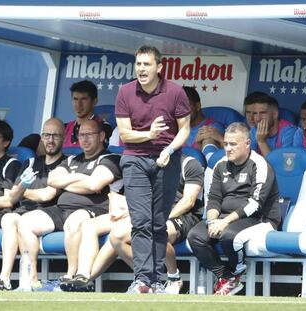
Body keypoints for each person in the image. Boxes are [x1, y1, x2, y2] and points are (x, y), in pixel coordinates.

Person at [115, 45, 191, 293]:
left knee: (159, 223)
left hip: (166, 160)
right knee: (141, 222)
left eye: (146, 64)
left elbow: (185, 130)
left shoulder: (176, 92)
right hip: (135, 159)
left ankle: (158, 280)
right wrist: (148, 134)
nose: (141, 69)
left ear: (159, 67)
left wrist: (169, 150)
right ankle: (142, 279)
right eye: (138, 64)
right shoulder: (125, 91)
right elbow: (125, 134)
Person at [17, 119, 121, 288]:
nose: (85, 139)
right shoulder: (72, 159)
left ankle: (71, 274)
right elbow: (52, 180)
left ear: (101, 136)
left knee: (74, 220)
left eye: (89, 135)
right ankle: (31, 280)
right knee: (25, 222)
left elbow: (95, 185)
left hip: (93, 209)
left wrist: (68, 182)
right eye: (81, 135)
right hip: (61, 209)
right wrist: (82, 179)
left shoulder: (111, 158)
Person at [187, 122, 281, 296]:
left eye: (233, 144)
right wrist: (213, 221)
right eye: (226, 144)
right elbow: (213, 198)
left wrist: (225, 222)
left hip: (260, 218)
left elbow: (255, 203)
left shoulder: (260, 164)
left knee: (229, 234)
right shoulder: (220, 164)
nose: (228, 148)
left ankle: (238, 271)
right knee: (195, 236)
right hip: (225, 217)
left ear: (247, 143)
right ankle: (227, 277)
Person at [0, 118, 66, 291]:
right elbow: (13, 197)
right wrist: (22, 188)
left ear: (63, 137)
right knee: (8, 218)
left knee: (24, 221)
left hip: (49, 213)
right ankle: (4, 278)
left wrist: (22, 189)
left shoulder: (66, 163)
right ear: (41, 137)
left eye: (55, 135)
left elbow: (47, 195)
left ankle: (33, 279)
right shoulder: (31, 162)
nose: (50, 140)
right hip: (26, 210)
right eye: (46, 135)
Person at [110, 154, 205, 294]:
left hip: (184, 215)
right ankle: (145, 279)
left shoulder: (189, 163)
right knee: (116, 237)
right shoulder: (148, 163)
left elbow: (188, 201)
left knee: (156, 230)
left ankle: (174, 277)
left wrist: (161, 218)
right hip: (153, 214)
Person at [63, 80, 112, 148]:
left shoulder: (103, 127)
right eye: (75, 99)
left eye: (83, 99)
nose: (78, 105)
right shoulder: (64, 128)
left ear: (94, 101)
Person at [182, 86, 225, 160]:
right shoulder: (176, 128)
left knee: (208, 138)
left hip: (201, 170)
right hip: (177, 169)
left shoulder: (213, 128)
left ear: (198, 106)